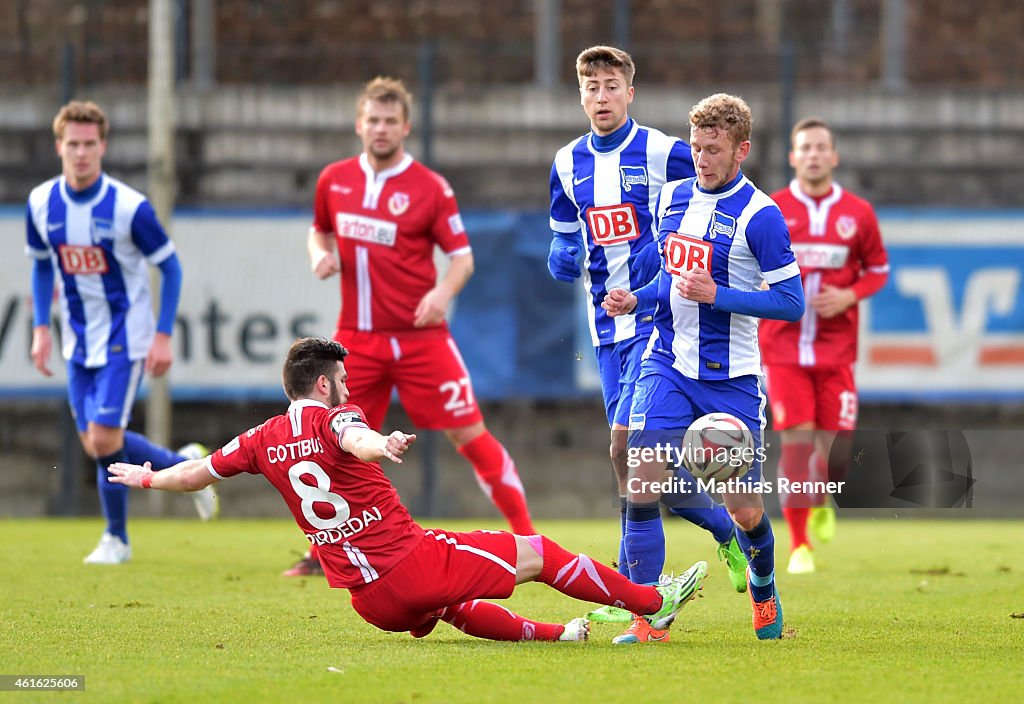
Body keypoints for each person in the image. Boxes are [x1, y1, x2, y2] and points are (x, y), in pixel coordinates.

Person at [107, 337, 709, 642]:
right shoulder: (334, 416)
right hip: (406, 564)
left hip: (369, 604)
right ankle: (656, 604)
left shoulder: (259, 438)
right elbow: (351, 435)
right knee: (540, 553)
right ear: (322, 383)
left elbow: (194, 474)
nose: (347, 388)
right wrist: (382, 444)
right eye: (341, 380)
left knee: (452, 604)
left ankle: (563, 635)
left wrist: (146, 477)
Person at [292, 76, 535, 578]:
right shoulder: (334, 179)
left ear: (405, 126)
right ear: (359, 125)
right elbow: (319, 231)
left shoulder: (430, 187)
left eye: (389, 121)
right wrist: (320, 255)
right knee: (332, 439)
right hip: (355, 341)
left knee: (468, 433)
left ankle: (527, 535)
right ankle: (322, 555)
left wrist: (441, 295)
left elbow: (463, 259)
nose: (380, 129)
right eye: (372, 120)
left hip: (421, 339)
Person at [547, 46, 747, 641]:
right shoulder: (565, 162)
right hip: (605, 331)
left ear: (629, 92)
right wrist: (561, 253)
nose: (602, 96)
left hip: (657, 325)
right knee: (626, 459)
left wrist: (661, 266)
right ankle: (723, 531)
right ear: (580, 95)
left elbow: (708, 201)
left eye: (612, 85)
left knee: (636, 458)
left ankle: (642, 600)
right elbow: (562, 227)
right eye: (592, 87)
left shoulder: (664, 152)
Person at [602, 93, 805, 640]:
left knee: (744, 510)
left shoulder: (761, 216)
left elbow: (791, 302)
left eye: (713, 149)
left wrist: (719, 294)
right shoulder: (671, 198)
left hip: (732, 380)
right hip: (667, 362)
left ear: (741, 150)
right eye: (696, 147)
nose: (702, 159)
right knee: (643, 479)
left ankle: (762, 586)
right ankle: (650, 616)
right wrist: (635, 300)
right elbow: (670, 284)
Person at [24, 100, 218, 565]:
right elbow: (40, 265)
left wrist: (163, 334)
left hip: (123, 337)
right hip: (77, 340)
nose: (81, 153)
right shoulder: (41, 202)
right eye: (73, 144)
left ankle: (117, 539)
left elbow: (169, 267)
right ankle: (185, 463)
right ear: (59, 147)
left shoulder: (130, 207)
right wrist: (39, 328)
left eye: (90, 144)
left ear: (103, 146)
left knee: (106, 440)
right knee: (95, 441)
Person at [761, 117, 889, 575]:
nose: (813, 155)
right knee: (795, 447)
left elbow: (878, 269)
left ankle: (823, 498)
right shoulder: (771, 209)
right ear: (794, 157)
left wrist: (849, 294)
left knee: (837, 461)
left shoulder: (858, 213)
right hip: (783, 350)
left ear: (833, 157)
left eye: (821, 148)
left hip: (836, 353)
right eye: (805, 148)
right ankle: (799, 547)